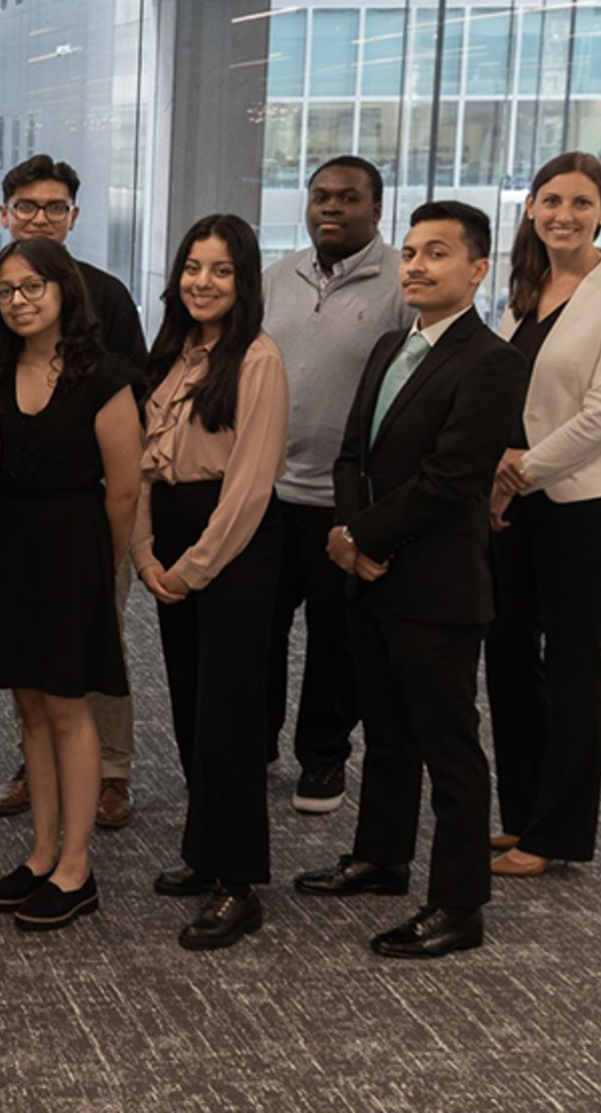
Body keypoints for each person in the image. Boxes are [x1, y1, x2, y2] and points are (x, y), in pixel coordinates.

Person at [295, 201, 529, 960]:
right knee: (387, 734)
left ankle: (459, 905)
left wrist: (359, 535)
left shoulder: (492, 362)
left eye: (438, 254)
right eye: (412, 254)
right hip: (372, 574)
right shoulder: (394, 342)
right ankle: (382, 859)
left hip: (437, 589)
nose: (418, 267)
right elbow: (350, 453)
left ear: (478, 269)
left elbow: (451, 479)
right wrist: (350, 539)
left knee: (449, 748)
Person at [0, 154, 145, 831]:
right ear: (4, 216)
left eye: (54, 207)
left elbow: (125, 430)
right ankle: (37, 772)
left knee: (89, 668)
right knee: (32, 680)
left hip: (82, 524)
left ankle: (110, 773)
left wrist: (109, 553)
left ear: (73, 217)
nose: (40, 217)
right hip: (7, 526)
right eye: (27, 207)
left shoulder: (107, 297)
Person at [486, 153, 601, 878]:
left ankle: (556, 833)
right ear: (530, 207)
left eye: (581, 203)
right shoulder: (523, 290)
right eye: (551, 200)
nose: (564, 214)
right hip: (512, 503)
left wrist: (517, 472)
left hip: (582, 503)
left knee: (571, 666)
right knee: (507, 659)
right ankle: (522, 816)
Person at [134, 214, 289, 952]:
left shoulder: (257, 359)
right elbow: (141, 463)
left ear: (245, 280)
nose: (202, 282)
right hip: (170, 540)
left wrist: (191, 567)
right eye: (193, 267)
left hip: (230, 551)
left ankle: (240, 882)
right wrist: (144, 554)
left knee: (229, 719)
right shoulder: (171, 352)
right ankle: (205, 851)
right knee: (193, 711)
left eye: (221, 270)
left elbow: (251, 488)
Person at [259, 156, 412, 815]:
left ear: (376, 210)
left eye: (348, 198)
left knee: (335, 641)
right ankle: (254, 743)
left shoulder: (402, 285)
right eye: (321, 196)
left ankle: (322, 759)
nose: (330, 208)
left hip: (344, 503)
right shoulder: (276, 277)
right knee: (257, 632)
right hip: (268, 493)